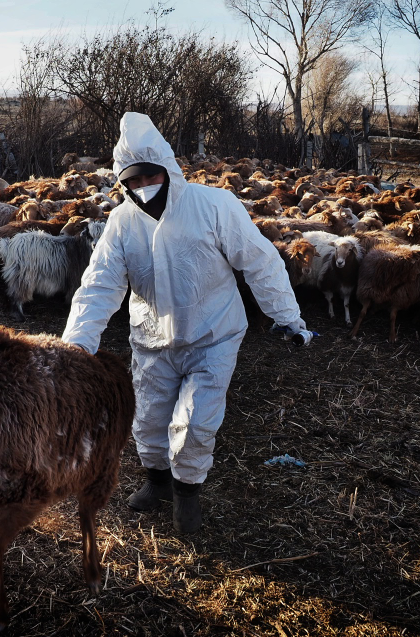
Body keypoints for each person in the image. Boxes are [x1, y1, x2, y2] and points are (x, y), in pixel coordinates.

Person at [61, 112, 306, 534]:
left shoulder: (214, 206)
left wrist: (287, 316)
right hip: (152, 336)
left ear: (168, 170)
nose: (142, 188)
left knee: (194, 421)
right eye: (132, 181)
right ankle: (157, 483)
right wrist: (77, 345)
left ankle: (187, 492)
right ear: (122, 182)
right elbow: (99, 285)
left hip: (213, 334)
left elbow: (260, 262)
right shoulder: (122, 222)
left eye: (149, 176)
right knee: (149, 420)